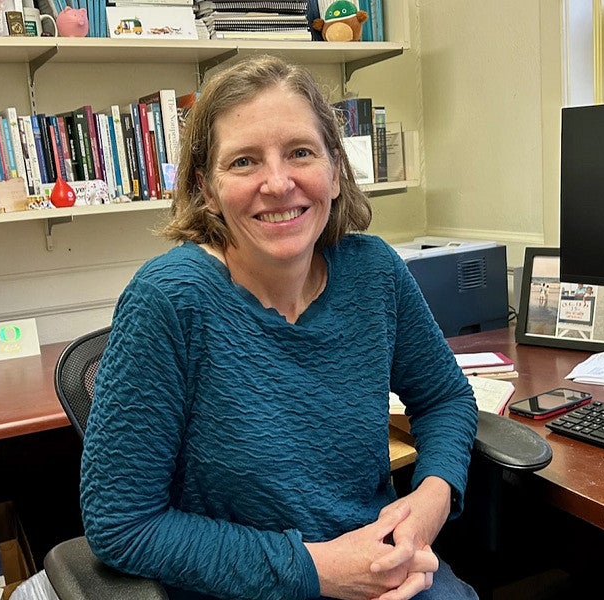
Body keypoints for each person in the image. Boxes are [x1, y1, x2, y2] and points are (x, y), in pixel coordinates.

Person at [80, 55, 478, 600]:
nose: (277, 182)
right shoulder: (168, 302)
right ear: (207, 190)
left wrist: (431, 497)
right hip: (246, 585)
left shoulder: (375, 273)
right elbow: (121, 524)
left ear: (335, 170)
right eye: (243, 162)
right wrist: (317, 569)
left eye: (300, 152)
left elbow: (445, 399)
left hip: (382, 565)